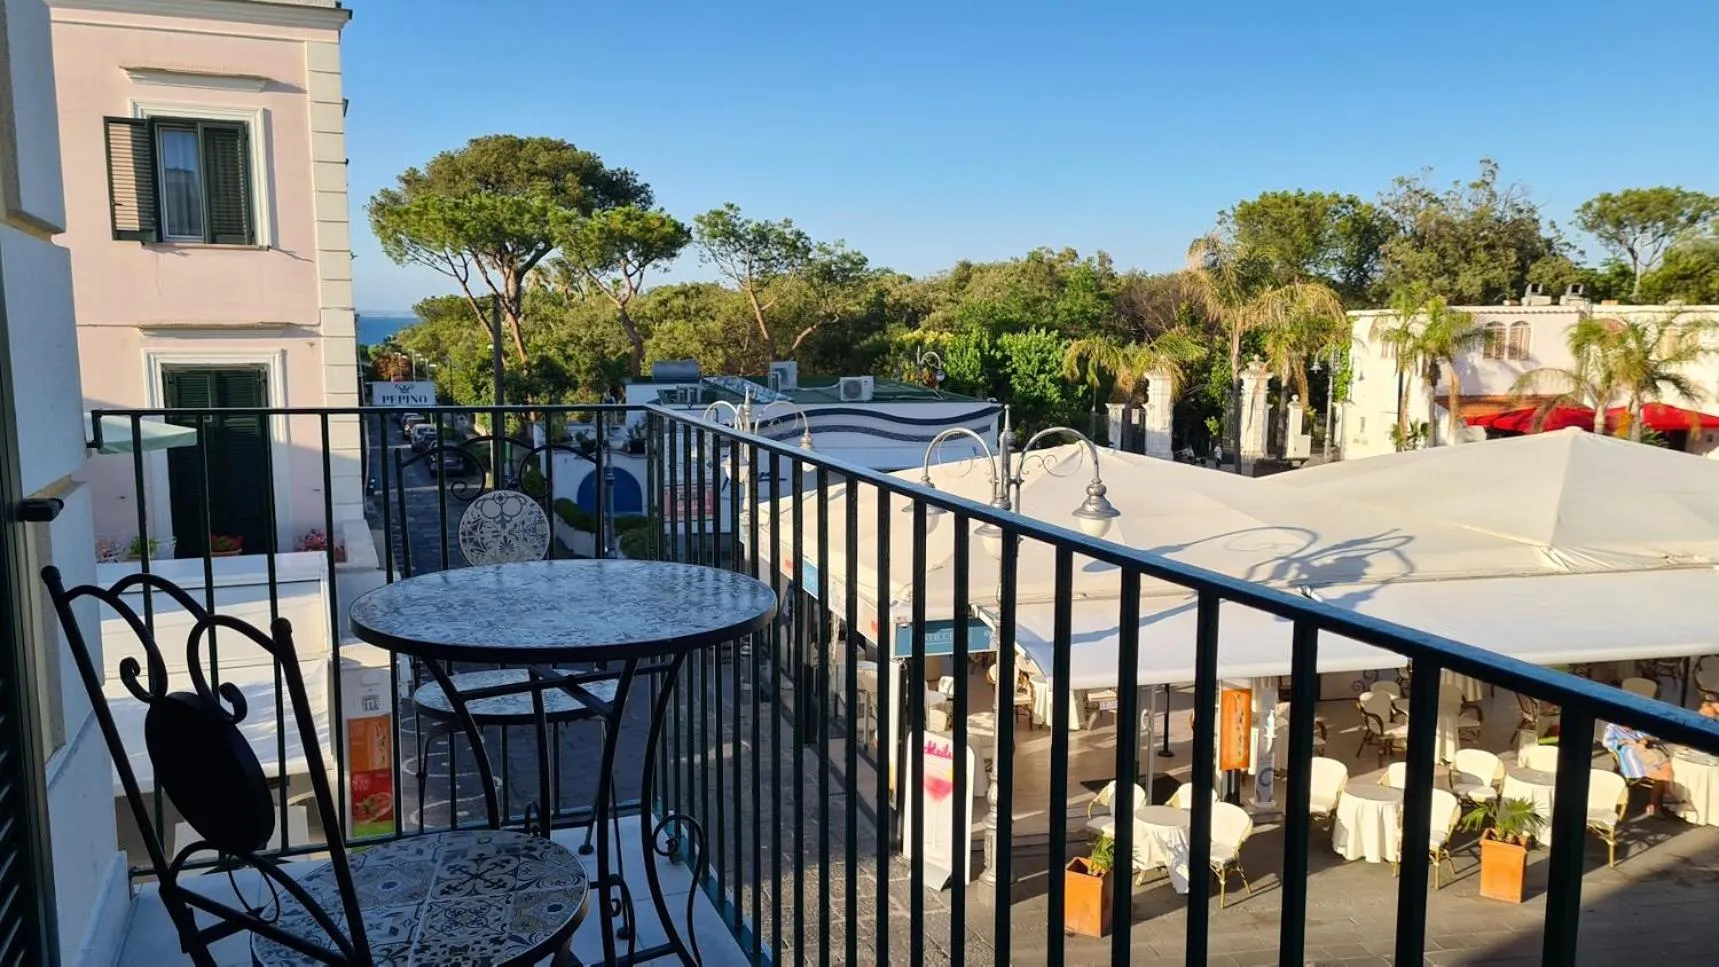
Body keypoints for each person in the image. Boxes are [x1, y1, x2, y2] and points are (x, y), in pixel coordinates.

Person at [1603, 721, 1675, 815]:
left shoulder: (1636, 725)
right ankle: (1656, 804)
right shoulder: (1613, 727)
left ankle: (1659, 801)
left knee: (1667, 767)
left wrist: (1644, 740)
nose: (1629, 728)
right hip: (1631, 760)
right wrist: (1624, 742)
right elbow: (1606, 742)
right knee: (1662, 774)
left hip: (1644, 755)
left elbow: (1652, 736)